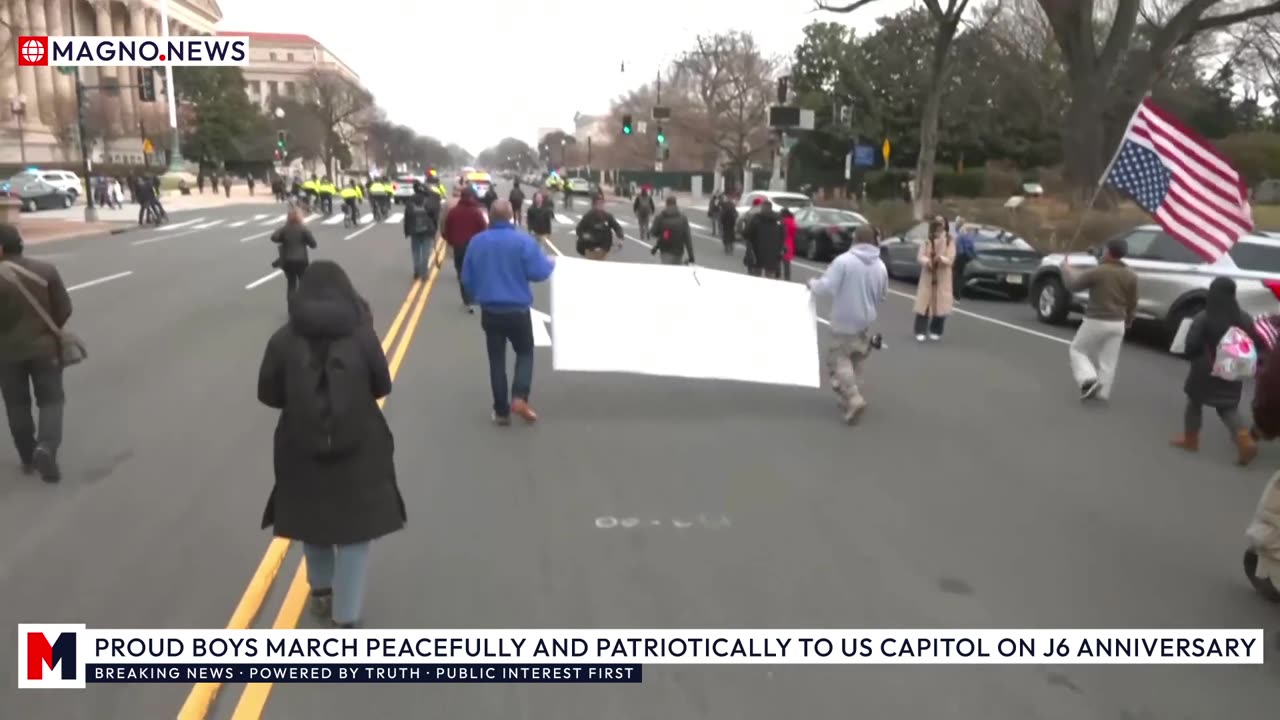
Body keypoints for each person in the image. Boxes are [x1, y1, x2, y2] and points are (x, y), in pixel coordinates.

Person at [256, 260, 404, 629]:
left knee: (311, 517)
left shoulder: (282, 340)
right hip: (360, 443)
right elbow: (381, 386)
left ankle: (320, 590)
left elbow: (268, 394)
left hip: (299, 444)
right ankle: (346, 614)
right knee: (355, 528)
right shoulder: (362, 336)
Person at [460, 200, 555, 426]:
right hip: (518, 310)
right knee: (524, 353)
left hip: (491, 311)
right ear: (512, 216)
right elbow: (540, 273)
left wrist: (478, 294)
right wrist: (550, 263)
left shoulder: (477, 242)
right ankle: (519, 397)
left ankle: (501, 411)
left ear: (490, 217)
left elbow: (467, 279)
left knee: (496, 360)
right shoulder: (524, 241)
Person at [0, 224, 71, 482]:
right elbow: (64, 309)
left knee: (17, 405)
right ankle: (47, 447)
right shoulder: (46, 270)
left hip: (6, 354)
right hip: (45, 349)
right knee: (51, 400)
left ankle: (28, 456)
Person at [1169, 277, 1260, 465]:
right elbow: (1253, 341)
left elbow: (1192, 343)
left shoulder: (1205, 316)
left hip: (1206, 366)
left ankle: (1190, 439)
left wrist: (1191, 355)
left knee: (1194, 402)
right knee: (1227, 407)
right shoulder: (1244, 317)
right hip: (1234, 366)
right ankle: (1245, 440)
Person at [808, 225, 887, 425]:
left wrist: (813, 284)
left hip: (844, 319)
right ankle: (849, 394)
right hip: (866, 319)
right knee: (856, 358)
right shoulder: (880, 266)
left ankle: (853, 397)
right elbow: (883, 295)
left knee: (838, 359)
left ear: (855, 239)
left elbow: (827, 286)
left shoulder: (844, 261)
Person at [1062, 236, 1138, 402]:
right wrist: (1129, 319)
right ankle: (1102, 393)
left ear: (1109, 251)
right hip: (1118, 322)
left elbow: (1073, 285)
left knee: (1077, 350)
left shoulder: (1099, 271)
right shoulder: (1131, 275)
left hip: (1097, 319)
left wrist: (1066, 270)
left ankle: (1088, 379)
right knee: (1108, 360)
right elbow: (1133, 301)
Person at [442, 186, 488, 312]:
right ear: (472, 197)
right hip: (474, 247)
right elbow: (484, 229)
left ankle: (466, 298)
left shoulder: (454, 212)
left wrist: (450, 240)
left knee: (462, 272)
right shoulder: (476, 212)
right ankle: (473, 296)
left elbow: (447, 228)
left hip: (459, 247)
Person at [912, 217, 955, 342]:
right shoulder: (926, 241)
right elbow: (920, 257)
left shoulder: (949, 241)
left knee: (941, 304)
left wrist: (941, 259)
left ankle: (936, 330)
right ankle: (920, 330)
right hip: (928, 276)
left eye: (940, 229)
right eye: (936, 230)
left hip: (943, 277)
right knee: (924, 303)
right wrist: (927, 262)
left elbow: (951, 258)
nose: (938, 233)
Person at [270, 208, 317, 301]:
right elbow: (313, 245)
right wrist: (305, 241)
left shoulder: (285, 228)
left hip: (287, 260)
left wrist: (283, 239)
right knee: (304, 283)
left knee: (291, 284)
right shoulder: (303, 229)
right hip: (301, 260)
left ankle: (291, 307)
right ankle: (304, 305)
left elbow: (273, 237)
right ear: (300, 217)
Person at [403, 181, 441, 280]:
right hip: (427, 229)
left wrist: (407, 231)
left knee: (415, 251)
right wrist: (435, 229)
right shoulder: (429, 200)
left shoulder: (410, 200)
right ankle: (424, 273)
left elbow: (407, 216)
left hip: (414, 229)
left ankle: (416, 271)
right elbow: (435, 216)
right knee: (425, 252)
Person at [742, 200, 785, 279]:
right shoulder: (778, 220)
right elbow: (783, 235)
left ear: (762, 207)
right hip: (773, 251)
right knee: (770, 273)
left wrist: (747, 239)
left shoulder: (756, 218)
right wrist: (780, 248)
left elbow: (748, 232)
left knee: (756, 272)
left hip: (757, 250)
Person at [574, 194, 624, 261]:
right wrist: (586, 237)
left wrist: (620, 238)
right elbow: (579, 229)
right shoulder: (588, 216)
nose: (601, 205)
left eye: (602, 203)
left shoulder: (607, 216)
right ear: (594, 205)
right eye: (598, 203)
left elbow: (617, 227)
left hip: (604, 249)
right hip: (591, 250)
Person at [648, 196, 695, 265]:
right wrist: (691, 256)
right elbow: (687, 238)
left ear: (666, 204)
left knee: (667, 271)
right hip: (678, 251)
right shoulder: (683, 218)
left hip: (665, 250)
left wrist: (661, 233)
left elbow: (653, 233)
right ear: (676, 204)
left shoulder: (660, 217)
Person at [953, 218, 977, 300]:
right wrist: (972, 256)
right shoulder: (968, 233)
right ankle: (957, 292)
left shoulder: (961, 232)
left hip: (960, 255)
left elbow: (960, 244)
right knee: (960, 274)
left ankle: (956, 292)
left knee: (958, 274)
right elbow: (971, 246)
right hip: (964, 256)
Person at [780, 207, 798, 281]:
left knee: (776, 262)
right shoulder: (793, 221)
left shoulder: (783, 221)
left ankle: (776, 277)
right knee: (787, 263)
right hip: (790, 243)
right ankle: (787, 278)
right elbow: (794, 234)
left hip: (781, 242)